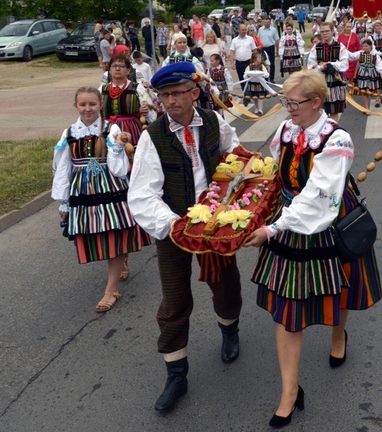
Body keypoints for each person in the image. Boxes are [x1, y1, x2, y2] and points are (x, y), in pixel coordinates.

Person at [244, 70, 382, 428]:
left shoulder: (337, 140)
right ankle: (290, 391)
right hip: (291, 221)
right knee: (288, 311)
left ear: (316, 102)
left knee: (338, 288)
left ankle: (339, 334)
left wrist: (273, 228)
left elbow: (320, 196)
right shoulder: (288, 130)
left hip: (326, 218)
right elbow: (279, 173)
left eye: (294, 103)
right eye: (285, 102)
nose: (288, 109)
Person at [127, 62, 243, 412]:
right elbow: (142, 194)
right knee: (174, 301)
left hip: (215, 226)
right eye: (163, 95)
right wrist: (175, 225)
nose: (169, 101)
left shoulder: (212, 121)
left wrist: (231, 193)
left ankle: (229, 330)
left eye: (176, 93)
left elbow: (233, 156)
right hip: (174, 229)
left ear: (194, 93)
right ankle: (176, 374)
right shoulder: (153, 135)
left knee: (226, 285)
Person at [52, 86, 150, 312]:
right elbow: (62, 168)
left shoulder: (111, 129)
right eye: (83, 104)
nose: (88, 109)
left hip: (110, 187)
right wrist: (63, 201)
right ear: (76, 106)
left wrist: (116, 147)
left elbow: (119, 169)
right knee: (97, 235)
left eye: (92, 104)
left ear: (100, 106)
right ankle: (121, 258)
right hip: (83, 192)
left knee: (113, 234)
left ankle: (111, 290)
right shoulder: (69, 133)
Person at [101, 54, 157, 144]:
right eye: (114, 66)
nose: (117, 69)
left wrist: (145, 112)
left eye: (122, 66)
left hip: (131, 130)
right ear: (110, 70)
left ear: (128, 70)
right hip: (108, 131)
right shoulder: (102, 90)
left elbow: (152, 115)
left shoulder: (137, 88)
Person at [307, 22, 349, 121]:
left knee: (334, 110)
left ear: (332, 31)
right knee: (320, 109)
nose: (324, 34)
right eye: (322, 32)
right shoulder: (316, 47)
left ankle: (333, 132)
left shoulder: (340, 46)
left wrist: (331, 64)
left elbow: (344, 64)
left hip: (335, 79)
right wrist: (321, 67)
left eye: (327, 31)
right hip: (320, 79)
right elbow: (310, 65)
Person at [348, 39, 382, 111]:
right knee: (365, 91)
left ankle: (376, 100)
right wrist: (343, 50)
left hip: (372, 75)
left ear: (371, 46)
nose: (364, 48)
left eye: (366, 46)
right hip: (362, 74)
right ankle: (366, 107)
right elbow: (351, 56)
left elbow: (379, 64)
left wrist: (381, 72)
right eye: (363, 46)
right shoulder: (360, 53)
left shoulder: (375, 55)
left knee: (372, 90)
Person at [230, 23, 258, 91]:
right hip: (239, 63)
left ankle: (249, 93)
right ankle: (244, 94)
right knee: (241, 79)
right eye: (242, 30)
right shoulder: (234, 40)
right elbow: (232, 52)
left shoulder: (250, 39)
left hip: (248, 62)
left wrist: (255, 61)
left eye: (245, 30)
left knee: (248, 78)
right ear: (239, 30)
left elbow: (255, 50)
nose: (244, 31)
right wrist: (232, 63)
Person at [258, 17, 279, 82]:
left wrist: (277, 49)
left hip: (271, 47)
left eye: (268, 22)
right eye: (265, 22)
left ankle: (272, 78)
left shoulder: (273, 30)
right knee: (263, 63)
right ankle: (264, 77)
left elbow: (277, 40)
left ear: (270, 23)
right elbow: (258, 39)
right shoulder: (260, 29)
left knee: (272, 63)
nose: (266, 23)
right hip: (263, 49)